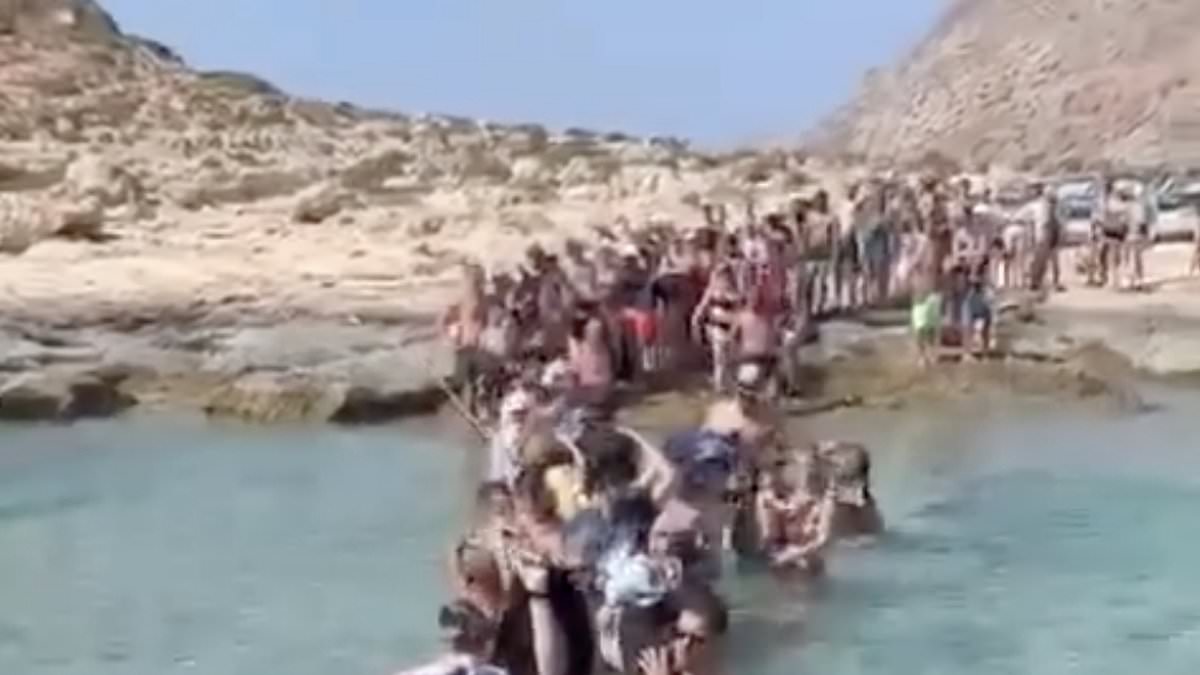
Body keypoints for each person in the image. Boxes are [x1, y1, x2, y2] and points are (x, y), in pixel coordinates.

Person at [691, 265, 741, 393]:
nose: (724, 277)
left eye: (726, 274)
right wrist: (696, 321)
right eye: (721, 274)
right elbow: (701, 308)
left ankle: (729, 383)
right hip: (717, 327)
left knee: (731, 358)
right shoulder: (712, 291)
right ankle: (719, 385)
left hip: (733, 328)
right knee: (720, 358)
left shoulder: (735, 290)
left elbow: (741, 309)